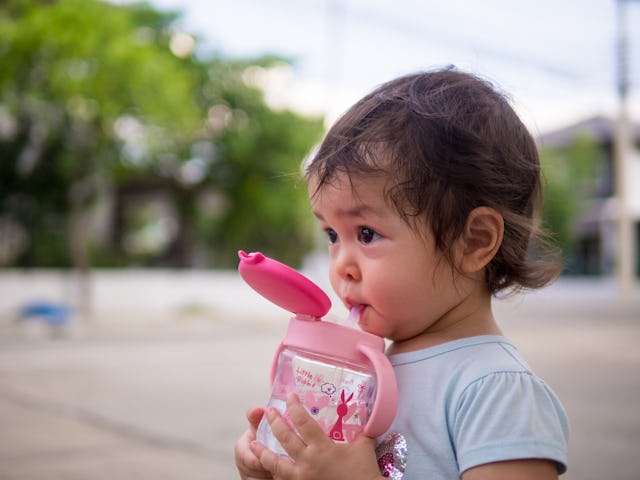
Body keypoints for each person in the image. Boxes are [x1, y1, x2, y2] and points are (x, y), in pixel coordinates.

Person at [234, 67, 570, 480]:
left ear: (473, 242)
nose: (341, 266)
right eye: (332, 234)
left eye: (367, 233)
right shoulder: (374, 373)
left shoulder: (496, 391)